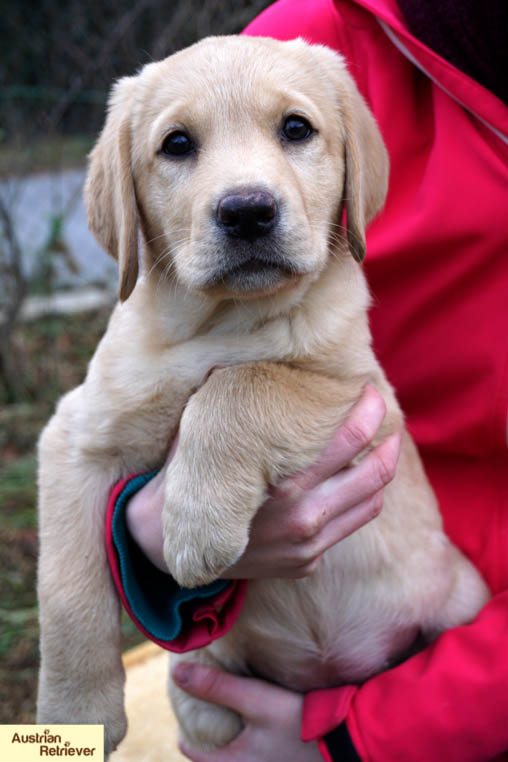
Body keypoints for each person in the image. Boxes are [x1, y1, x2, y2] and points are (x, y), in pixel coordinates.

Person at [105, 1, 508, 760]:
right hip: (240, 659)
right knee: (44, 748)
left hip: (460, 656)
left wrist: (358, 740)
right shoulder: (307, 51)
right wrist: (140, 529)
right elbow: (146, 358)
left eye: (294, 133)